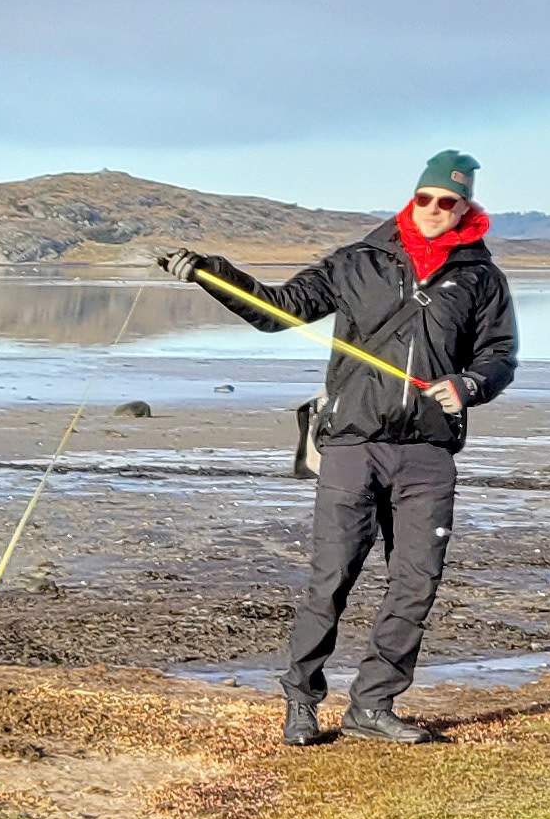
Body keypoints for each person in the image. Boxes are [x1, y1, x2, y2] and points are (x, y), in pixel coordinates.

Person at [160, 149, 518, 746]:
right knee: (331, 578)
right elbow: (280, 311)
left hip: (428, 454)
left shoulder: (481, 278)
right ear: (413, 197)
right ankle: (301, 702)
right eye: (425, 197)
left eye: (447, 201)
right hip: (352, 444)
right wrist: (209, 273)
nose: (434, 209)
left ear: (465, 207)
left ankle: (372, 705)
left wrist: (469, 385)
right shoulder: (358, 262)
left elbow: (499, 356)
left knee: (416, 582)